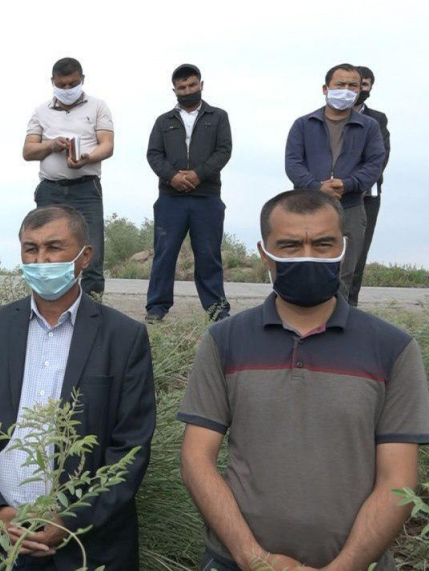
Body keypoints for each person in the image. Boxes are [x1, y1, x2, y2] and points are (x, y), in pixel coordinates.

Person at [178, 190, 429, 570]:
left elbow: (398, 480)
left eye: (323, 244)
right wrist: (253, 557)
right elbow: (196, 459)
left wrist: (346, 565)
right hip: (234, 561)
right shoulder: (224, 341)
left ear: (344, 248)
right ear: (265, 253)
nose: (308, 255)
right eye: (291, 246)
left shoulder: (393, 349)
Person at [0, 205, 156, 569]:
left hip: (86, 545)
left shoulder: (123, 337)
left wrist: (70, 520)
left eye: (54, 248)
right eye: (31, 249)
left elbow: (130, 449)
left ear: (84, 257)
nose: (41, 260)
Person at [284, 63, 385, 304]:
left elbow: (374, 163)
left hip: (350, 207)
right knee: (306, 268)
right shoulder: (303, 124)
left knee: (344, 274)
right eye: (340, 84)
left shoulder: (369, 126)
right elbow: (293, 163)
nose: (347, 90)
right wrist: (317, 186)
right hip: (309, 207)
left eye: (353, 86)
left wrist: (349, 184)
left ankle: (338, 329)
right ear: (325, 88)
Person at [145, 64, 232, 323]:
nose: (187, 90)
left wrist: (198, 174)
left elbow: (224, 151)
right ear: (174, 90)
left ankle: (217, 310)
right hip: (171, 198)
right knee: (164, 254)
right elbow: (153, 154)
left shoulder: (218, 116)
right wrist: (172, 176)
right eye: (181, 87)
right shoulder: (163, 121)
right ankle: (156, 308)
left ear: (201, 85)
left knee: (208, 254)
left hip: (207, 197)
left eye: (192, 85)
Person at [23, 57, 114, 297]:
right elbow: (28, 151)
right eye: (61, 84)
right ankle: (47, 301)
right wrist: (51, 145)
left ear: (82, 80)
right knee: (48, 252)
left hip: (86, 189)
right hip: (50, 190)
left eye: (72, 84)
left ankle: (93, 309)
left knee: (91, 255)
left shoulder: (98, 106)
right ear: (52, 82)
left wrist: (87, 157)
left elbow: (107, 146)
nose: (66, 89)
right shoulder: (40, 111)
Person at [349, 66, 391, 306]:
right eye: (357, 84)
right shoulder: (324, 116)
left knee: (359, 252)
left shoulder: (378, 119)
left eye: (365, 85)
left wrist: (359, 183)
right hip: (332, 191)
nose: (359, 90)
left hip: (367, 195)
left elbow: (381, 157)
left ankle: (350, 307)